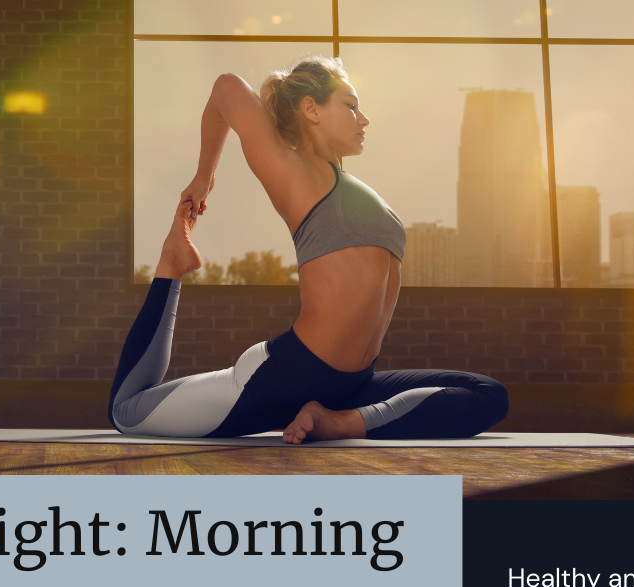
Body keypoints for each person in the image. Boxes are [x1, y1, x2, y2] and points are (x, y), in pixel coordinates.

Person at [109, 56, 507, 443]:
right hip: (284, 377)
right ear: (311, 109)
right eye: (351, 106)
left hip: (351, 385)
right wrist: (203, 178)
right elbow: (226, 89)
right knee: (127, 411)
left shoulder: (351, 185)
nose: (363, 119)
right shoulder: (292, 169)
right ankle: (171, 262)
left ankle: (338, 421)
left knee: (488, 394)